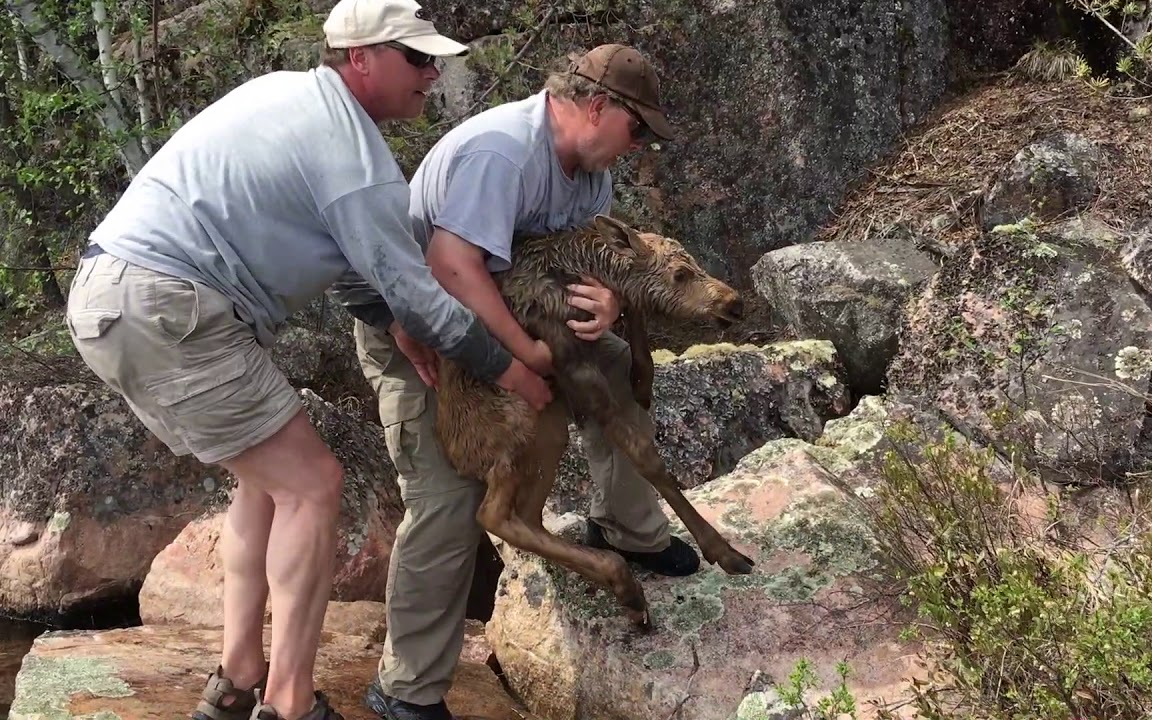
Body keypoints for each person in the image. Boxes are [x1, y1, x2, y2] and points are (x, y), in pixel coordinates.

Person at [62, 0, 554, 718]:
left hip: (116, 297)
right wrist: (514, 370)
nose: (432, 72)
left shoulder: (287, 98)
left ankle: (237, 677)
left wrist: (390, 318)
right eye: (416, 58)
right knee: (313, 486)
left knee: (262, 485)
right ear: (361, 58)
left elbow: (365, 269)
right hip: (169, 304)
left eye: (433, 58)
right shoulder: (353, 153)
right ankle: (289, 703)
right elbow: (423, 296)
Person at [332, 43, 694, 720]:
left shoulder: (590, 173)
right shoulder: (502, 152)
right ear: (596, 107)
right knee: (446, 497)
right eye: (636, 129)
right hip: (420, 335)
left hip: (511, 323)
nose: (639, 146)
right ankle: (406, 691)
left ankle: (630, 528)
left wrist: (609, 306)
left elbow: (594, 261)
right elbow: (451, 268)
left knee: (613, 365)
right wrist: (522, 356)